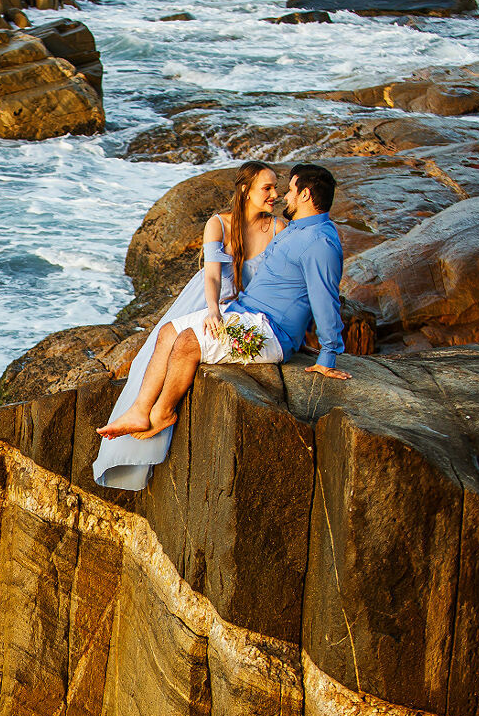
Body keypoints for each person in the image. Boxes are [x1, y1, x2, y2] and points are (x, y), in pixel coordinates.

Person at [94, 163, 349, 487]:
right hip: (245, 311)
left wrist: (328, 354)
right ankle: (140, 410)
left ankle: (162, 412)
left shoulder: (319, 241)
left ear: (306, 195)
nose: (284, 195)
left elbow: (325, 298)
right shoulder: (296, 229)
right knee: (169, 331)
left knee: (188, 344)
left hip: (270, 330)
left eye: (290, 190)